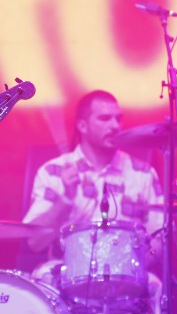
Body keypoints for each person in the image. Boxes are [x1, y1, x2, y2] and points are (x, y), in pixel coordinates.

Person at [22, 89, 164, 282]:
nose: (115, 126)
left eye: (118, 119)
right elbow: (35, 242)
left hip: (125, 274)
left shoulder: (143, 174)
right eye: (104, 119)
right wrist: (66, 199)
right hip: (66, 271)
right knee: (43, 277)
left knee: (154, 284)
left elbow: (159, 238)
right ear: (82, 126)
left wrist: (132, 266)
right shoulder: (52, 171)